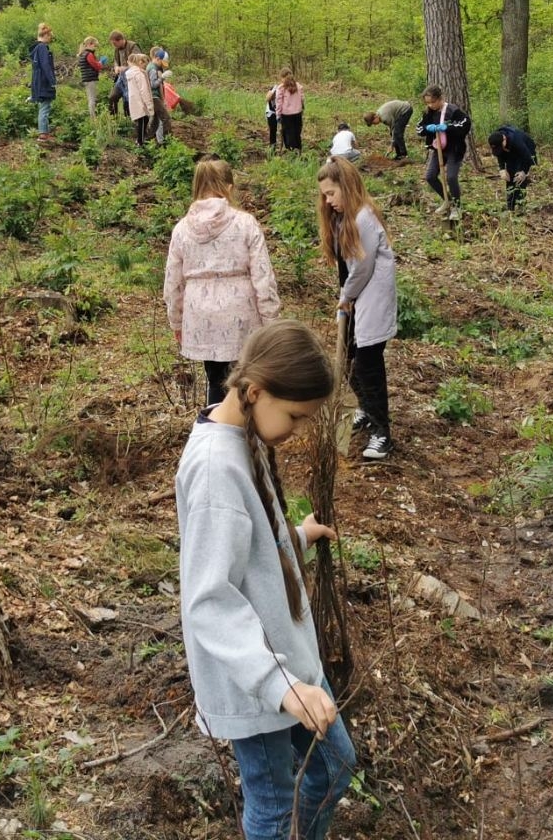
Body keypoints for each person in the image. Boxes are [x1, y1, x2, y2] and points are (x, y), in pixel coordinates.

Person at [175, 320, 357, 840]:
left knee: (333, 767)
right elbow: (209, 600)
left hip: (289, 665)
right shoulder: (216, 469)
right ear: (255, 391)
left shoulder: (244, 436)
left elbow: (249, 550)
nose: (297, 430)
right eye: (296, 416)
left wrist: (296, 539)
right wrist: (281, 687)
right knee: (274, 809)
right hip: (258, 685)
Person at [164, 160, 282, 409]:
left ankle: (216, 438)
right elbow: (263, 277)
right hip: (241, 316)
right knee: (248, 384)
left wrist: (176, 320)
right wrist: (271, 322)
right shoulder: (245, 223)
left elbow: (173, 283)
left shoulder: (181, 229)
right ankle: (250, 441)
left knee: (215, 381)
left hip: (200, 317)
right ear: (229, 188)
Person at [318, 158, 398, 461]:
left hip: (371, 299)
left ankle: (382, 433)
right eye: (324, 195)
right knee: (351, 358)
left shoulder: (363, 218)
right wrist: (346, 297)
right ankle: (365, 407)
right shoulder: (343, 217)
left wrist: (346, 295)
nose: (327, 201)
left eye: (331, 194)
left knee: (367, 365)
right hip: (355, 300)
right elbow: (345, 266)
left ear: (347, 188)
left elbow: (363, 267)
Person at [417, 86, 471, 222]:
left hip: (454, 149)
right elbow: (419, 128)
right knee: (430, 176)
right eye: (427, 103)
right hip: (439, 149)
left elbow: (465, 124)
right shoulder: (428, 113)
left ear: (440, 99)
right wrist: (427, 129)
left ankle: (457, 207)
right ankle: (448, 200)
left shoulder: (452, 111)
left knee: (451, 177)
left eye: (432, 102)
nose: (430, 105)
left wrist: (448, 127)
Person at [488, 125, 537, 211]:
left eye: (500, 147)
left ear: (504, 140)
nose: (499, 149)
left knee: (519, 178)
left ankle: (521, 205)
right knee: (509, 177)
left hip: (526, 152)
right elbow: (499, 153)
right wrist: (502, 169)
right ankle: (510, 207)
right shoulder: (496, 138)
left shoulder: (517, 141)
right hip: (511, 152)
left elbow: (528, 158)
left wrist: (524, 171)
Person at [31, 22, 58, 141]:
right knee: (45, 107)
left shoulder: (36, 48)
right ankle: (43, 134)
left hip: (38, 81)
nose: (50, 39)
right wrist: (52, 80)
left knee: (43, 106)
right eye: (50, 36)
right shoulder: (42, 48)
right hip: (44, 82)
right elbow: (45, 65)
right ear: (45, 35)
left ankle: (45, 132)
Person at [106, 31, 141, 115]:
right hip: (121, 78)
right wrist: (116, 67)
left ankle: (129, 121)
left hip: (132, 78)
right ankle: (114, 120)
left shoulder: (133, 46)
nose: (114, 45)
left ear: (121, 40)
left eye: (115, 43)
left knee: (128, 100)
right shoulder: (116, 49)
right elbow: (115, 61)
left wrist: (125, 68)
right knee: (112, 97)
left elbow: (139, 63)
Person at [123, 53, 154, 146]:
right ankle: (140, 142)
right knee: (143, 120)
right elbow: (144, 90)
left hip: (134, 100)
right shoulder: (138, 74)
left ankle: (140, 140)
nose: (145, 67)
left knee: (143, 120)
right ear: (140, 62)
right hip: (140, 101)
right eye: (145, 64)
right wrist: (149, 104)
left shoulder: (130, 73)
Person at [274, 70, 304, 152]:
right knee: (297, 133)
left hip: (286, 115)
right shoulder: (299, 86)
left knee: (288, 134)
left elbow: (279, 103)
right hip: (298, 113)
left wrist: (278, 115)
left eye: (281, 78)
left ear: (283, 77)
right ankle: (299, 151)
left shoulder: (281, 88)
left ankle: (291, 153)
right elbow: (302, 99)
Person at [148, 48, 173, 143]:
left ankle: (150, 140)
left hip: (155, 97)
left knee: (155, 121)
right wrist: (162, 78)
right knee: (165, 118)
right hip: (154, 97)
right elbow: (152, 85)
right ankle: (168, 141)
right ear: (157, 58)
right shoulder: (153, 69)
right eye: (161, 63)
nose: (162, 65)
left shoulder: (153, 67)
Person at [77, 36, 105, 116]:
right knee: (92, 99)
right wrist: (101, 62)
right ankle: (93, 119)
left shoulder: (83, 54)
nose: (95, 48)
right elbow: (96, 66)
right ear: (90, 44)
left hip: (86, 79)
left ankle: (93, 117)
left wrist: (98, 63)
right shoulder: (89, 54)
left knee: (91, 98)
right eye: (95, 46)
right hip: (90, 79)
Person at [264, 83, 281, 151]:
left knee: (285, 130)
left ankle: (284, 147)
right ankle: (272, 147)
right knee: (273, 130)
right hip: (272, 112)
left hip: (282, 112)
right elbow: (267, 99)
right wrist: (273, 92)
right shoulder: (275, 88)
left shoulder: (288, 89)